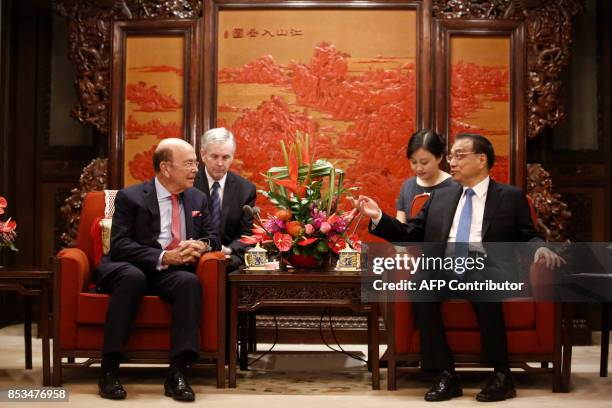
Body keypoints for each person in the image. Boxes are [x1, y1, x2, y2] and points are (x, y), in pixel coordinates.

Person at [350, 133, 563, 402]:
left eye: (459, 155)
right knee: (420, 283)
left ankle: (501, 374)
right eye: (451, 156)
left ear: (481, 159)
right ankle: (445, 374)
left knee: (481, 278)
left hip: (488, 265)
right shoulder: (440, 196)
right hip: (445, 266)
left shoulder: (509, 197)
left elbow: (527, 234)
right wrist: (378, 217)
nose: (452, 161)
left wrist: (540, 248)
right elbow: (411, 233)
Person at [95, 138, 221, 402]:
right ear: (165, 168)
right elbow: (120, 245)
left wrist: (199, 245)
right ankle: (109, 370)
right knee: (133, 278)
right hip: (130, 266)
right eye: (188, 163)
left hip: (170, 272)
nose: (196, 169)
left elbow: (213, 237)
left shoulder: (197, 197)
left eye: (195, 163)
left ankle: (178, 374)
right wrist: (165, 256)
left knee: (188, 282)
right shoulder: (131, 197)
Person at [194, 127, 256, 270]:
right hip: (194, 255)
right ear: (203, 155)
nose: (220, 163)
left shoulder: (246, 189)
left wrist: (227, 250)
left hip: (229, 257)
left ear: (232, 157)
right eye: (214, 156)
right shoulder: (188, 184)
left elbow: (246, 233)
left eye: (226, 157)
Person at [396, 129, 455, 223]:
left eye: (424, 162)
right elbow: (400, 226)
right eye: (414, 162)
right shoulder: (407, 186)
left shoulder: (455, 186)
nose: (419, 168)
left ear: (439, 157)